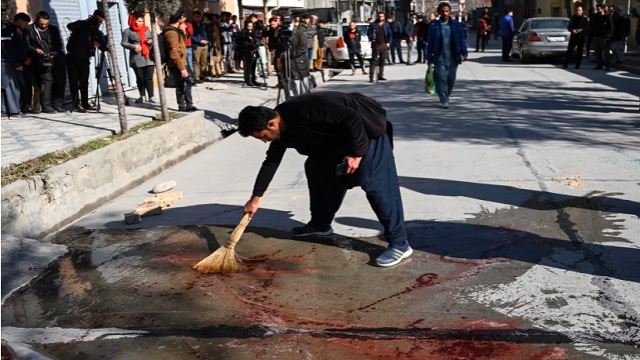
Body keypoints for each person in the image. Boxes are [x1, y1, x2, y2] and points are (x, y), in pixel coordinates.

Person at [238, 91, 413, 267]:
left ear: (272, 123)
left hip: (366, 132)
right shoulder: (281, 132)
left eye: (263, 136)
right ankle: (320, 225)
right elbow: (271, 162)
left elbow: (352, 118)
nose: (264, 141)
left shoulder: (306, 107)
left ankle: (399, 243)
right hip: (336, 141)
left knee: (375, 183)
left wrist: (357, 154)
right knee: (316, 169)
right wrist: (255, 198)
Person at [426, 2, 468, 109]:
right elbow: (430, 42)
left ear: (449, 12)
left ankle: (446, 94)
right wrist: (428, 56)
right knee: (441, 77)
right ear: (439, 12)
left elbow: (461, 39)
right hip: (440, 55)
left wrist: (464, 52)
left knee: (451, 78)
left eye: (446, 11)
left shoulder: (456, 25)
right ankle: (444, 98)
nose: (445, 13)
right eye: (442, 11)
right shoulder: (434, 26)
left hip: (453, 55)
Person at [25, 11, 67, 113]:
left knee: (60, 80)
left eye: (46, 24)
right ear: (36, 21)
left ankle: (58, 104)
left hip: (54, 57)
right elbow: (27, 44)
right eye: (42, 24)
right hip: (40, 59)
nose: (44, 26)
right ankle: (46, 105)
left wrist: (54, 54)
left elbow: (58, 44)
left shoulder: (53, 29)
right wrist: (36, 50)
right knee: (47, 81)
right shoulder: (29, 29)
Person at [66, 10, 105, 113]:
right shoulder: (82, 25)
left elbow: (102, 46)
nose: (101, 23)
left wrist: (100, 43)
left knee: (84, 82)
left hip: (84, 59)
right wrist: (85, 22)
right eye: (100, 20)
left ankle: (85, 103)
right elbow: (69, 26)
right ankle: (76, 104)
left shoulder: (95, 31)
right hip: (73, 58)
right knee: (74, 82)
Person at [164, 11, 196, 112]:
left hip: (182, 62)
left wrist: (183, 32)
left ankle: (189, 105)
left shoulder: (176, 31)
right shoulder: (171, 33)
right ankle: (182, 106)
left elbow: (182, 43)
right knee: (181, 86)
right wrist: (182, 69)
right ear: (179, 20)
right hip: (177, 64)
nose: (184, 22)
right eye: (182, 19)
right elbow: (174, 51)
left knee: (187, 84)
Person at [121, 13, 155, 104]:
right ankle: (142, 95)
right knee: (140, 78)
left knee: (149, 78)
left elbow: (152, 40)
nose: (141, 23)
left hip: (148, 57)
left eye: (142, 21)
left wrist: (150, 42)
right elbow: (123, 43)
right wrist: (133, 46)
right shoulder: (127, 31)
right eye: (139, 21)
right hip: (137, 58)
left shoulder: (147, 30)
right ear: (133, 21)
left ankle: (151, 96)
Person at [12, 13, 35, 114]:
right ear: (19, 21)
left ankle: (27, 106)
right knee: (20, 86)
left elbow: (28, 46)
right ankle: (19, 106)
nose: (26, 25)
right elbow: (14, 49)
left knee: (28, 85)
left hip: (27, 63)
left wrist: (29, 58)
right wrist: (22, 59)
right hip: (18, 64)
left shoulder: (25, 32)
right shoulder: (12, 31)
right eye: (25, 23)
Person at [1, 17, 23, 117]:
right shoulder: (5, 26)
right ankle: (13, 111)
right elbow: (6, 46)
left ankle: (4, 110)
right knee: (11, 86)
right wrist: (16, 64)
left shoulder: (9, 26)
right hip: (5, 61)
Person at [563, 5, 589, 69]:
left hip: (581, 37)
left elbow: (586, 28)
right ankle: (565, 64)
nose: (578, 12)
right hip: (573, 36)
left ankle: (577, 65)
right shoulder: (573, 18)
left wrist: (577, 31)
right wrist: (572, 31)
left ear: (582, 11)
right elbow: (568, 27)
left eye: (579, 10)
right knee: (569, 50)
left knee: (579, 52)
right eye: (577, 10)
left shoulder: (585, 18)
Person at [368, 12, 392, 82]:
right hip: (376, 45)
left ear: (384, 17)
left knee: (382, 60)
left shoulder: (386, 25)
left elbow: (390, 34)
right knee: (373, 61)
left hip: (384, 44)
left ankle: (380, 75)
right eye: (379, 16)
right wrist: (371, 39)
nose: (380, 18)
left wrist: (389, 43)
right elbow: (369, 33)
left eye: (382, 16)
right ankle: (371, 77)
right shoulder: (373, 24)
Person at [590, 4, 613, 71]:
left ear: (603, 9)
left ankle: (607, 66)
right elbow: (593, 27)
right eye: (597, 9)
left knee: (606, 53)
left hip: (604, 38)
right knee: (597, 53)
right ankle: (599, 65)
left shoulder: (608, 17)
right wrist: (593, 36)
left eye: (599, 9)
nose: (597, 10)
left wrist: (608, 36)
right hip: (597, 37)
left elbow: (611, 28)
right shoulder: (595, 17)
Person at [239, 21, 259, 87]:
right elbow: (243, 43)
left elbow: (257, 40)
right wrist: (250, 44)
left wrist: (256, 44)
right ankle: (248, 80)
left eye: (251, 26)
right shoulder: (243, 33)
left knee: (254, 66)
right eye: (249, 26)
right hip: (247, 52)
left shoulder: (254, 32)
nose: (250, 28)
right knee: (248, 67)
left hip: (254, 51)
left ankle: (253, 79)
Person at [191, 11, 209, 83]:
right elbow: (191, 36)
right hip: (197, 46)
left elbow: (205, 33)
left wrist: (207, 41)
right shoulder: (191, 25)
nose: (198, 18)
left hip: (205, 45)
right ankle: (196, 77)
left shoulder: (202, 25)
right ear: (193, 17)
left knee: (204, 62)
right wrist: (199, 41)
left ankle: (203, 76)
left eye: (199, 17)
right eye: (196, 17)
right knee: (196, 62)